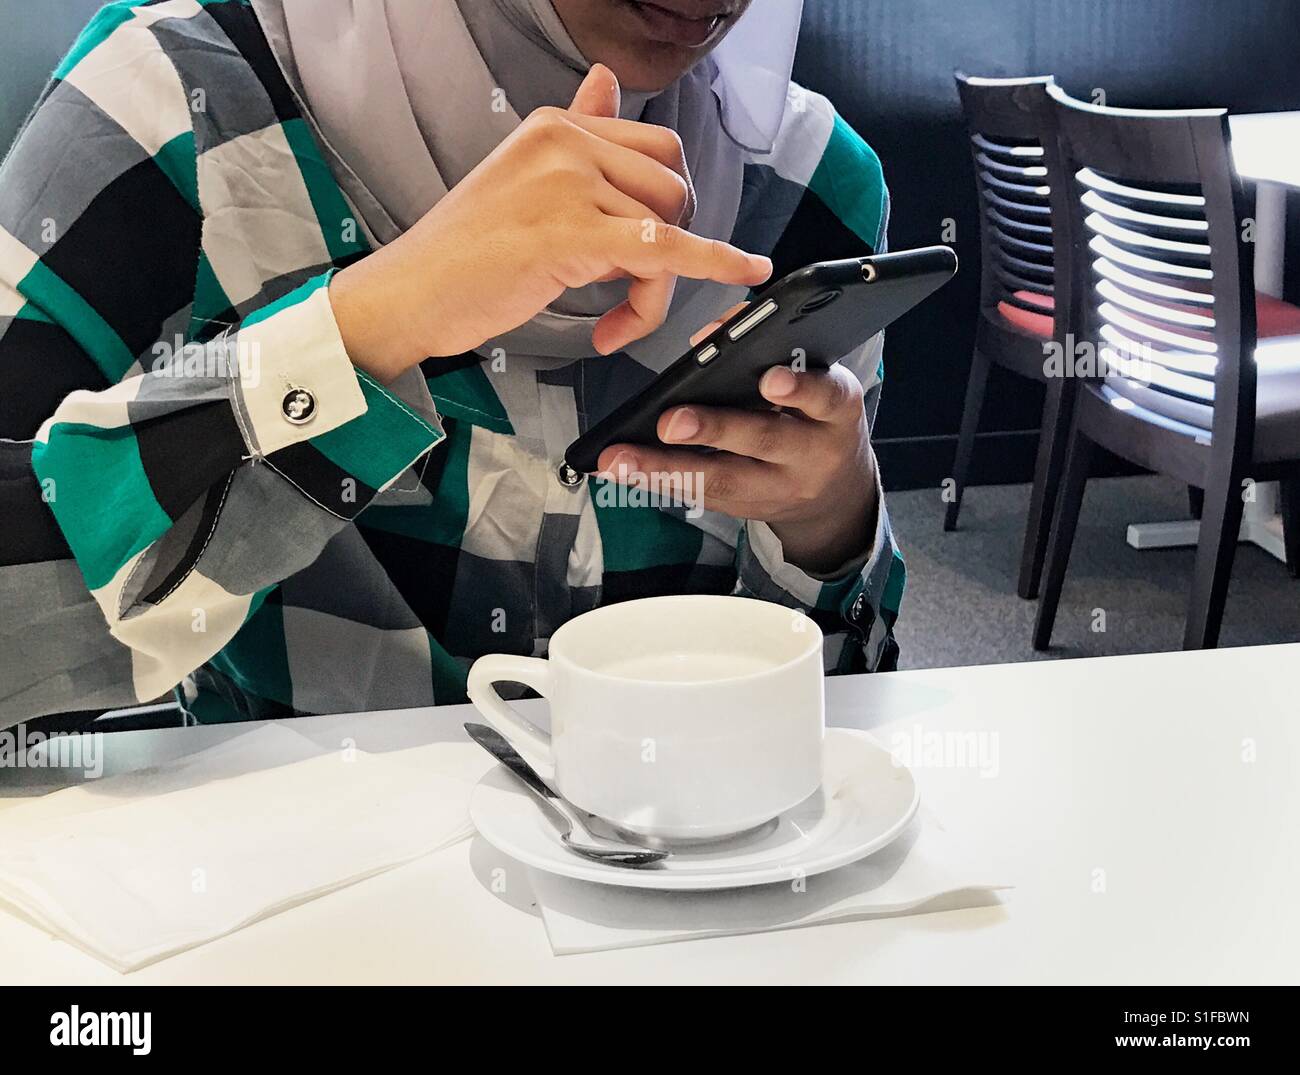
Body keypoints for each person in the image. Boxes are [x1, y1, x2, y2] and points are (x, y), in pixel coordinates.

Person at [0, 0, 904, 725]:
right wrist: (371, 323)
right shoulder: (174, 103)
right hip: (302, 887)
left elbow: (838, 724)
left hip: (692, 878)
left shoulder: (808, 187)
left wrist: (830, 523)